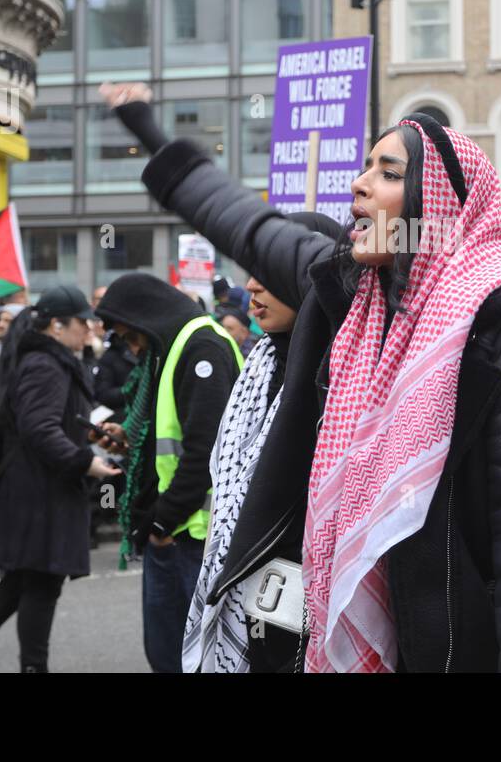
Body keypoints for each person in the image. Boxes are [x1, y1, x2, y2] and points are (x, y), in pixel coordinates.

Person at [106, 81, 501, 672]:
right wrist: (146, 128)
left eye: (387, 173)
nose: (358, 184)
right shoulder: (338, 291)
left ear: (433, 204)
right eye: (364, 168)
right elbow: (243, 223)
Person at [185, 212, 342, 672]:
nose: (251, 287)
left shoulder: (338, 372)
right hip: (249, 589)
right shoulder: (260, 364)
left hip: (311, 594)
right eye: (251, 272)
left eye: (271, 274)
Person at [0, 286, 121, 673]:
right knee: (40, 583)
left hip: (31, 491)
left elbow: (43, 422)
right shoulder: (46, 364)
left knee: (22, 580)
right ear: (58, 326)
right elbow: (39, 428)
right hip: (40, 495)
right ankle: (27, 666)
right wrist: (84, 461)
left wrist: (84, 435)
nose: (89, 328)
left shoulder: (41, 358)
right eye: (82, 321)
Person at [93, 272, 242, 673]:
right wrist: (128, 434)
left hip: (191, 535)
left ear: (149, 317)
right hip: (176, 532)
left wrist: (161, 522)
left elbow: (204, 452)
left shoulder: (201, 348)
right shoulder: (177, 345)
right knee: (167, 655)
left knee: (184, 659)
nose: (133, 347)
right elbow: (170, 434)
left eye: (131, 335)